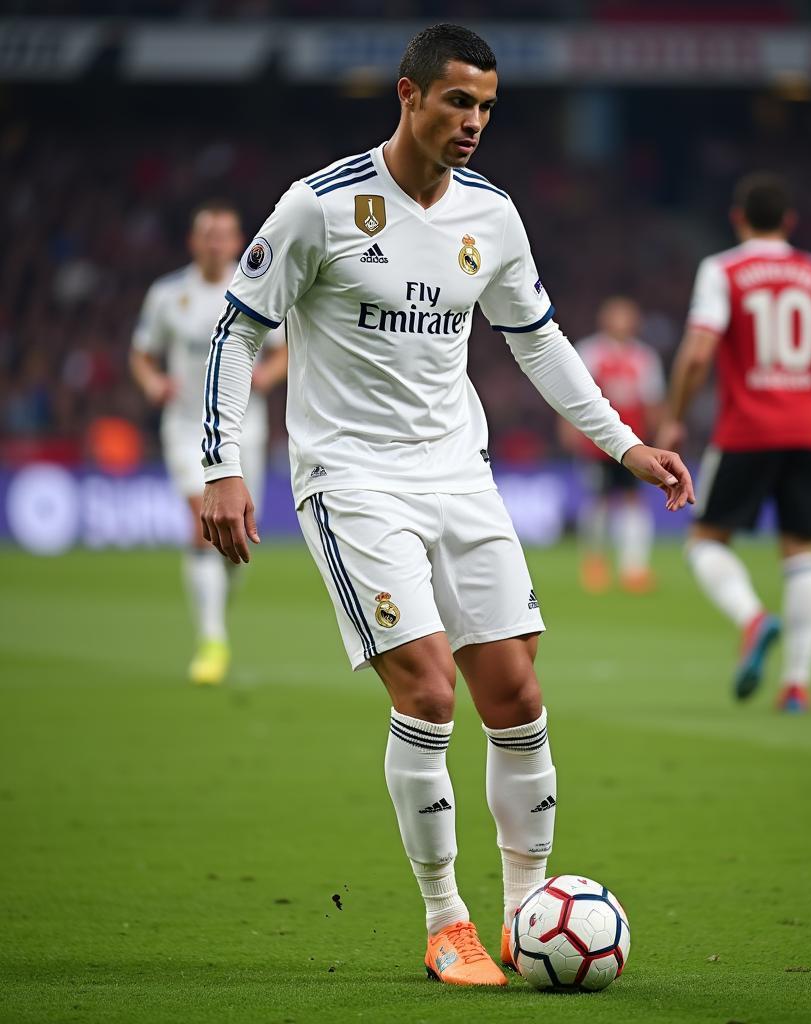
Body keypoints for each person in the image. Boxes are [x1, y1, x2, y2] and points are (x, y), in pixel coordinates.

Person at [198, 24, 694, 987]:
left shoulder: (494, 218)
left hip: (459, 471)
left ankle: (525, 914)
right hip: (351, 477)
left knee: (517, 698)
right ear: (409, 97)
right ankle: (445, 920)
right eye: (458, 102)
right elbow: (236, 330)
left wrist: (626, 444)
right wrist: (221, 466)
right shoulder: (321, 207)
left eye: (488, 108)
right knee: (428, 691)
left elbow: (539, 342)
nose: (474, 123)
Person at [658, 173, 811, 713]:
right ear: (790, 222)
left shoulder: (723, 270)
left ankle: (753, 619)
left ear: (738, 218)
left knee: (705, 542)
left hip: (747, 430)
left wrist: (675, 419)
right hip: (807, 432)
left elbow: (696, 354)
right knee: (801, 555)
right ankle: (797, 685)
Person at [130, 200, 287, 685]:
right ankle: (212, 641)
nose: (217, 242)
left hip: (244, 427)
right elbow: (141, 353)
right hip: (186, 427)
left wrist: (267, 375)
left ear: (238, 241)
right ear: (193, 241)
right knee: (202, 518)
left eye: (225, 234)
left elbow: (285, 349)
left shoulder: (257, 286)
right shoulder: (168, 294)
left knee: (233, 537)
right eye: (208, 234)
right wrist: (153, 384)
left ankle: (216, 608)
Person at [560, 296, 665, 593]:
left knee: (633, 500)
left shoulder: (645, 357)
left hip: (632, 442)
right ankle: (595, 562)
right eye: (616, 316)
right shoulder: (590, 351)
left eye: (627, 317)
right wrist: (568, 427)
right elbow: (570, 393)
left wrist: (657, 436)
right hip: (597, 443)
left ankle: (634, 568)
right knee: (598, 501)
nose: (621, 323)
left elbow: (653, 401)